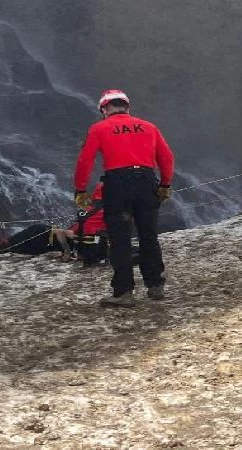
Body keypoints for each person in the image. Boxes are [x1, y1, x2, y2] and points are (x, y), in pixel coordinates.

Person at [74, 89, 175, 307]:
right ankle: (155, 285)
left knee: (119, 239)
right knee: (148, 236)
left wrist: (80, 189)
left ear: (104, 109)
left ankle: (123, 292)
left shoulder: (99, 128)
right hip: (147, 182)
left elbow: (85, 160)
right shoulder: (149, 126)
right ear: (127, 107)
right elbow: (166, 157)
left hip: (117, 185)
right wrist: (165, 184)